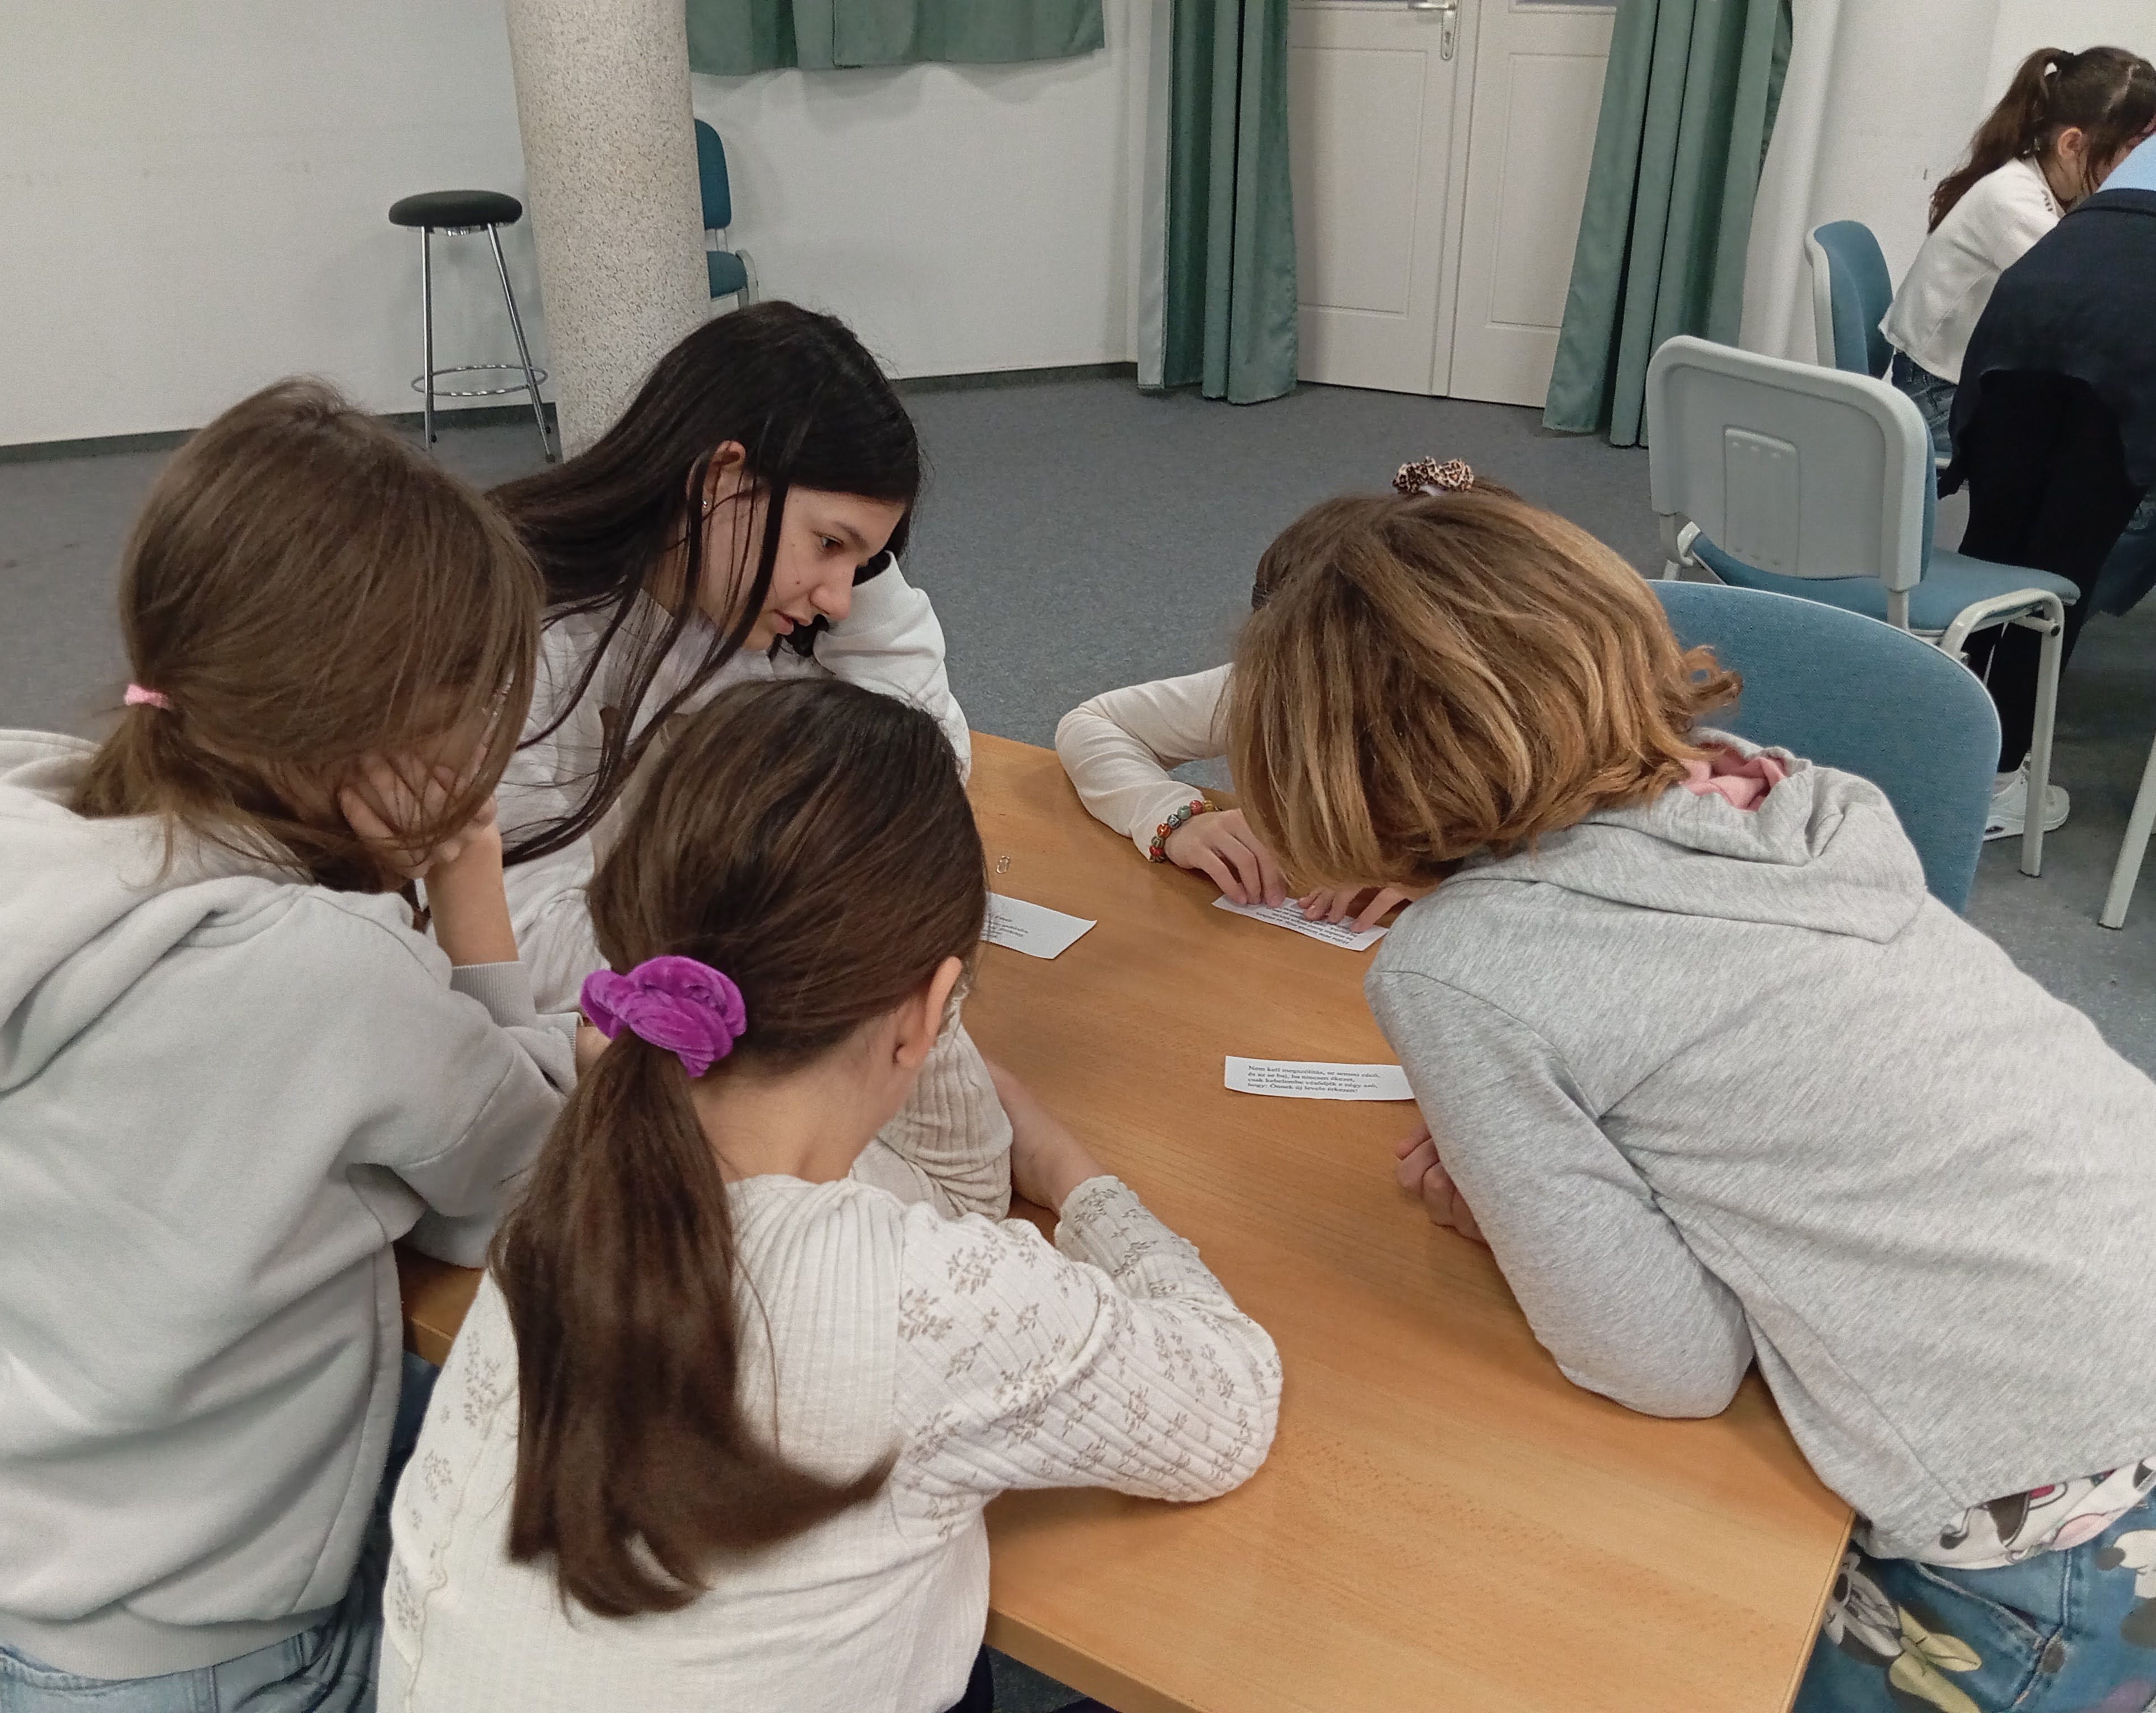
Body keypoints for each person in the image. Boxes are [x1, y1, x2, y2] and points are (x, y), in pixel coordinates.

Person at [1224, 475, 2156, 1712]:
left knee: (1585, 1624)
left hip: (2039, 1514)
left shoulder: (1463, 968)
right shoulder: (1793, 791)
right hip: (2124, 1297)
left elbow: (1670, 1366)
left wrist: (1512, 1205)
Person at [382, 679, 1281, 1713]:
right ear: (931, 1009)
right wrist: (1078, 1175)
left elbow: (935, 1195)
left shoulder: (576, 1186)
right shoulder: (925, 1293)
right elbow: (1230, 1400)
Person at [0, 381, 574, 1712]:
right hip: (173, 1661)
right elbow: (519, 1186)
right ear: (376, 736)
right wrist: (469, 895)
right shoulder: (328, 970)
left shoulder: (32, 837)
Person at [491, 302, 969, 1015]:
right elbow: (524, 953)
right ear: (719, 477)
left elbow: (920, 787)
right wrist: (780, 971)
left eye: (862, 566)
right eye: (829, 543)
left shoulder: (747, 623)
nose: (840, 600)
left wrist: (872, 571)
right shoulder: (524, 642)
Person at [1052, 460, 1484, 933]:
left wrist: (1446, 875)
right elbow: (1095, 725)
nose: (1302, 699)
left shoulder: (1499, 730)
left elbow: (1540, 848)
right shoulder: (1272, 685)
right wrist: (1176, 819)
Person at [1949, 127, 2156, 841]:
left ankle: (1945, 745)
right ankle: (1997, 785)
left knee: (1995, 547)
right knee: (2059, 571)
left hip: (2036, 294)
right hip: (2138, 324)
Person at [1882, 46, 2155, 464]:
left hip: (1966, 382)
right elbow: (2097, 304)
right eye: (2137, 148)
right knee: (2112, 463)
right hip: (1935, 397)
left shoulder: (2060, 189)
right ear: (2072, 144)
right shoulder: (2013, 204)